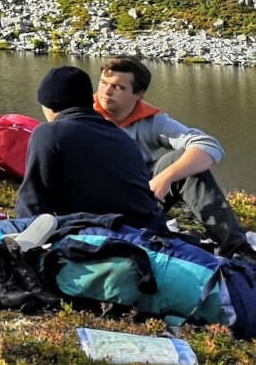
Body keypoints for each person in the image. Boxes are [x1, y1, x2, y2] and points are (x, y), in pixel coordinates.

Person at [94, 55, 251, 257]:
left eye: (119, 87)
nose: (106, 92)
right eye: (103, 83)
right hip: (92, 203)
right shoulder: (83, 114)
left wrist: (165, 178)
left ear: (139, 94)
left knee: (182, 162)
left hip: (137, 196)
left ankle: (236, 249)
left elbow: (209, 145)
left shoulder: (150, 121)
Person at [16, 66, 166, 231]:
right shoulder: (123, 137)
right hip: (152, 233)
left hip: (105, 236)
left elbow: (32, 202)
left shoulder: (49, 132)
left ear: (49, 106)